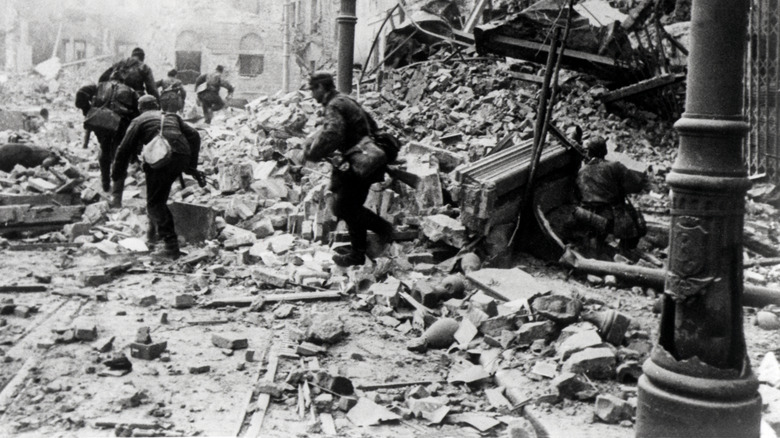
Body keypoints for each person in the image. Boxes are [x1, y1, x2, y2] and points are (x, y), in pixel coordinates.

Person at [303, 72, 393, 267]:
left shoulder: (334, 105)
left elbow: (332, 133)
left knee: (342, 206)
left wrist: (312, 154)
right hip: (368, 158)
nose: (312, 95)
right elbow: (367, 125)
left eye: (312, 89)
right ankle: (358, 253)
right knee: (351, 206)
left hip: (360, 162)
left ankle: (384, 230)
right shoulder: (344, 100)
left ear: (321, 88)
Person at [111, 95, 202, 259]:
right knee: (158, 197)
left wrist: (116, 173)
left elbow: (123, 149)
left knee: (155, 204)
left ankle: (170, 248)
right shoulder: (171, 116)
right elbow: (194, 135)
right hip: (181, 156)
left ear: (140, 108)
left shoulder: (139, 121)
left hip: (161, 158)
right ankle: (152, 236)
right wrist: (191, 166)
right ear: (157, 105)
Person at [575, 136, 647, 252]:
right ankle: (626, 251)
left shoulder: (582, 171)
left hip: (587, 215)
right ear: (605, 151)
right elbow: (636, 185)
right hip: (612, 215)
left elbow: (579, 194)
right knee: (637, 223)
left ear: (589, 152)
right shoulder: (615, 166)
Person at [79, 72, 139, 192]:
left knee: (104, 149)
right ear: (122, 81)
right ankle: (116, 191)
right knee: (119, 153)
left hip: (102, 122)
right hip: (121, 124)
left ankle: (105, 183)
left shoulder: (99, 86)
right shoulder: (129, 90)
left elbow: (81, 94)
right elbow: (136, 111)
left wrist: (87, 111)